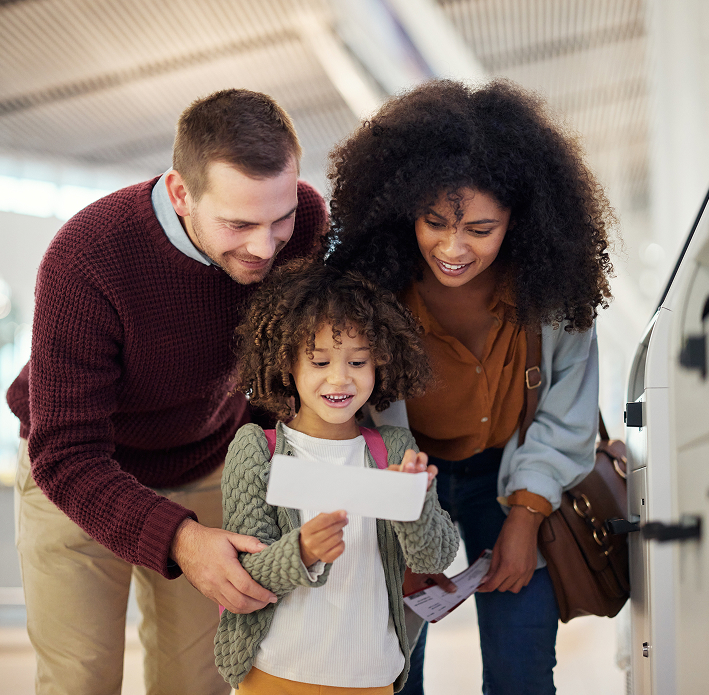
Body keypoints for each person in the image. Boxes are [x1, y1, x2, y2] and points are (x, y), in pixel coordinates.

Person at [7, 88, 327, 695]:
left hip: (207, 463)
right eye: (238, 223)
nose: (264, 247)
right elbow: (65, 453)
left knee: (198, 681)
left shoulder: (305, 223)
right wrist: (180, 538)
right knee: (81, 680)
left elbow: (285, 372)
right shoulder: (87, 258)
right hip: (77, 475)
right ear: (181, 193)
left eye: (277, 217)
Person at [325, 79, 615, 694]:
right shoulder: (371, 291)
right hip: (398, 483)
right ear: (406, 210)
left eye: (481, 229)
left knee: (522, 671)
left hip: (507, 479)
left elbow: (568, 411)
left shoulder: (555, 294)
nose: (453, 249)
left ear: (520, 222)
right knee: (392, 671)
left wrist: (525, 517)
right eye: (434, 222)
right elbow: (346, 414)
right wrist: (401, 528)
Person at [213, 258, 459, 694]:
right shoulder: (257, 449)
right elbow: (245, 573)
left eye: (358, 361)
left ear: (379, 362)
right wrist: (303, 551)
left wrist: (414, 508)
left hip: (373, 677)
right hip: (275, 675)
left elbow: (433, 560)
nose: (340, 378)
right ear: (287, 364)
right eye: (320, 361)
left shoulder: (396, 447)